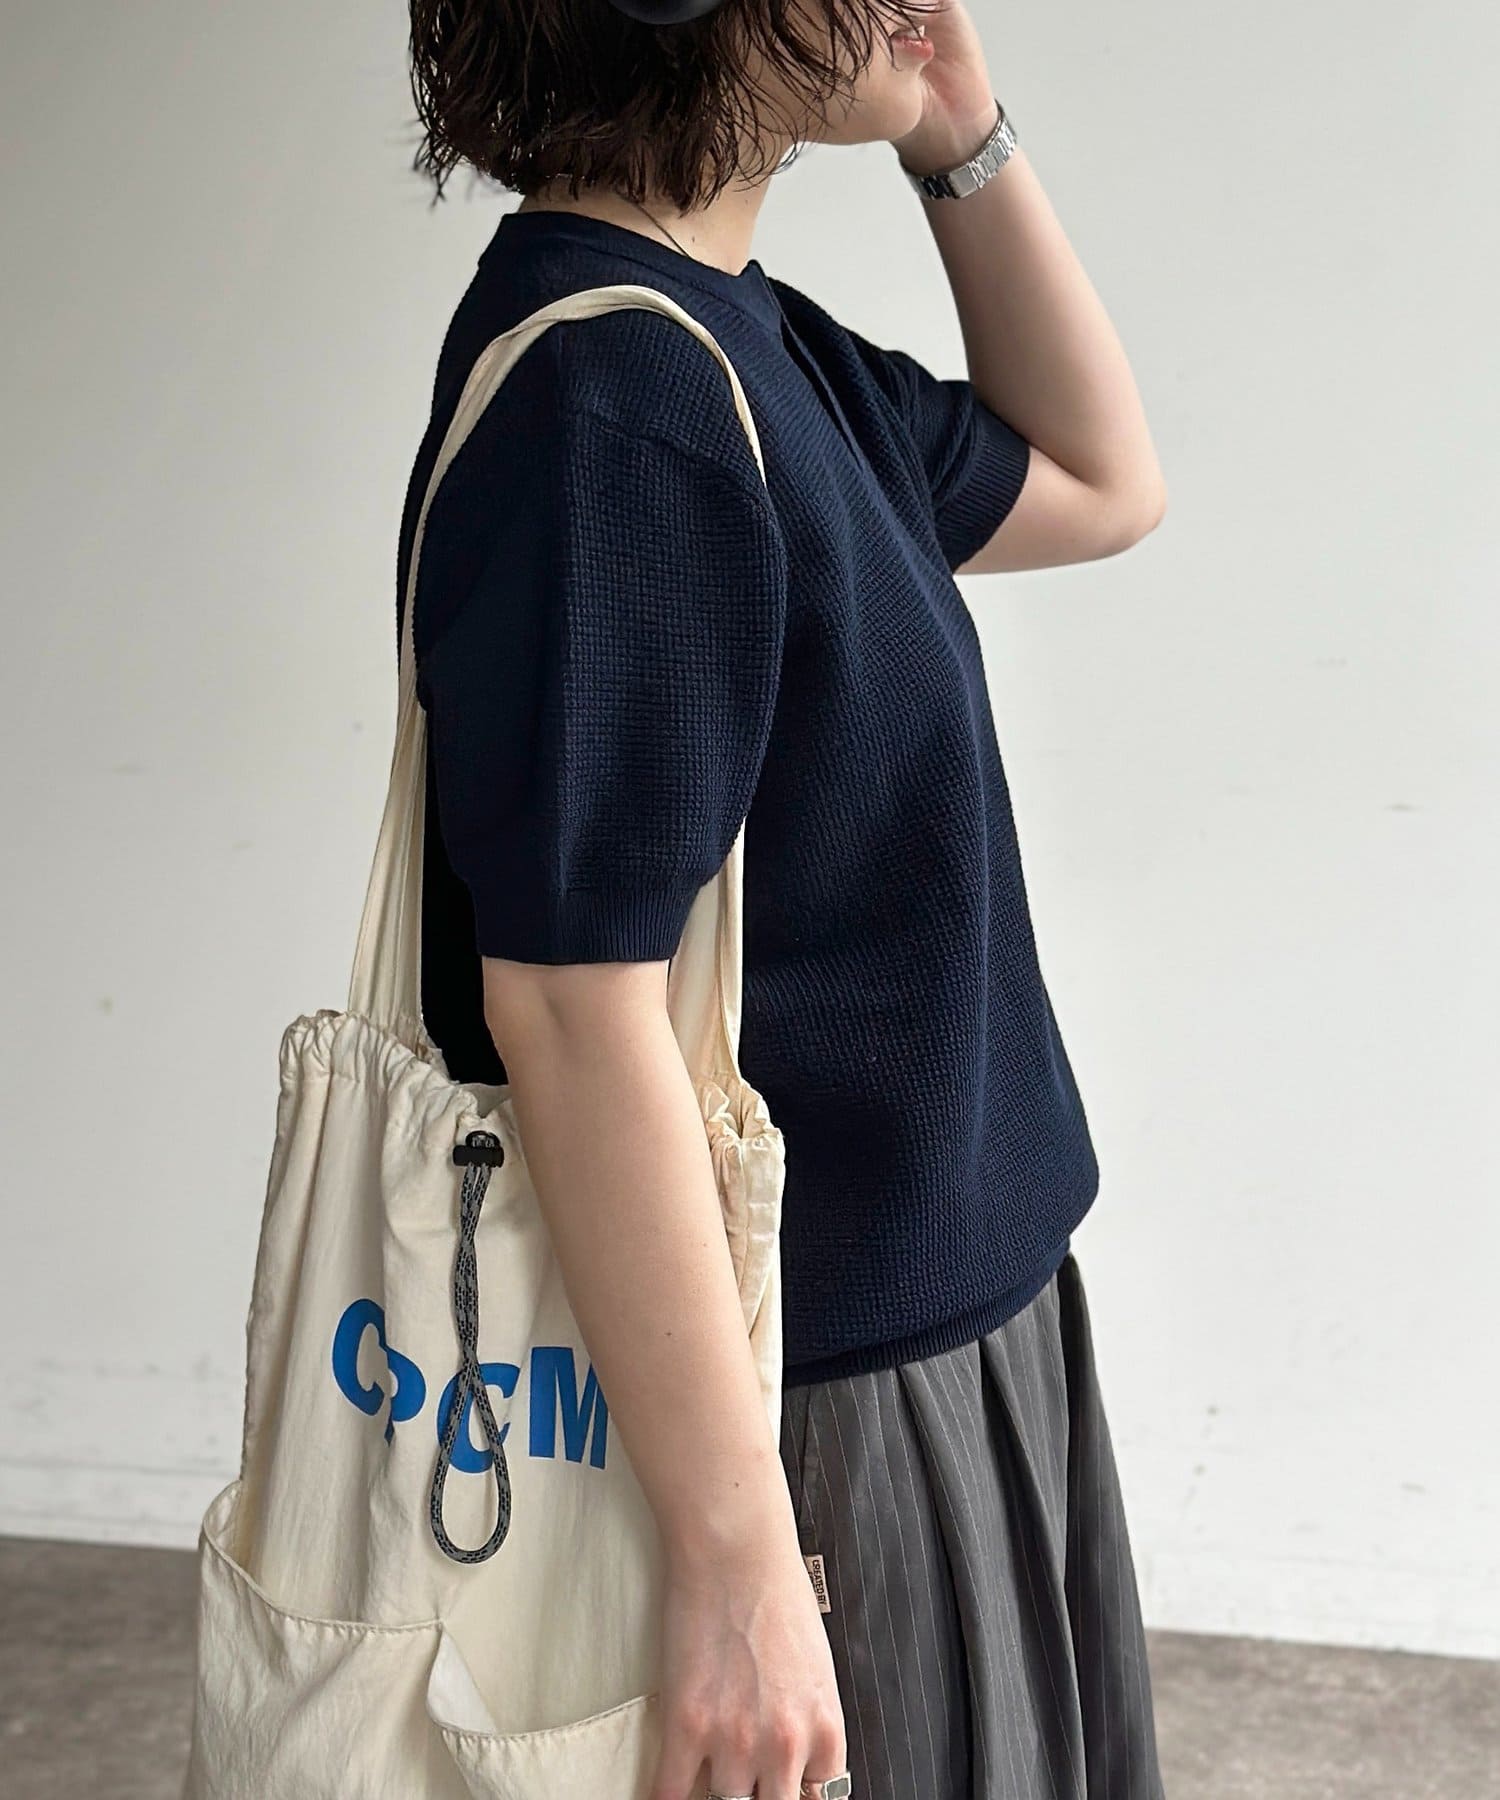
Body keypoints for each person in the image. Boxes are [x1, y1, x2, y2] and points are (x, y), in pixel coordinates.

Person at [398, 1, 1169, 1796]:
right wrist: (740, 1556)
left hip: (948, 1321)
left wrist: (960, 138)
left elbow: (1107, 486)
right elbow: (567, 1003)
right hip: (809, 1389)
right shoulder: (618, 399)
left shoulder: (743, 348)